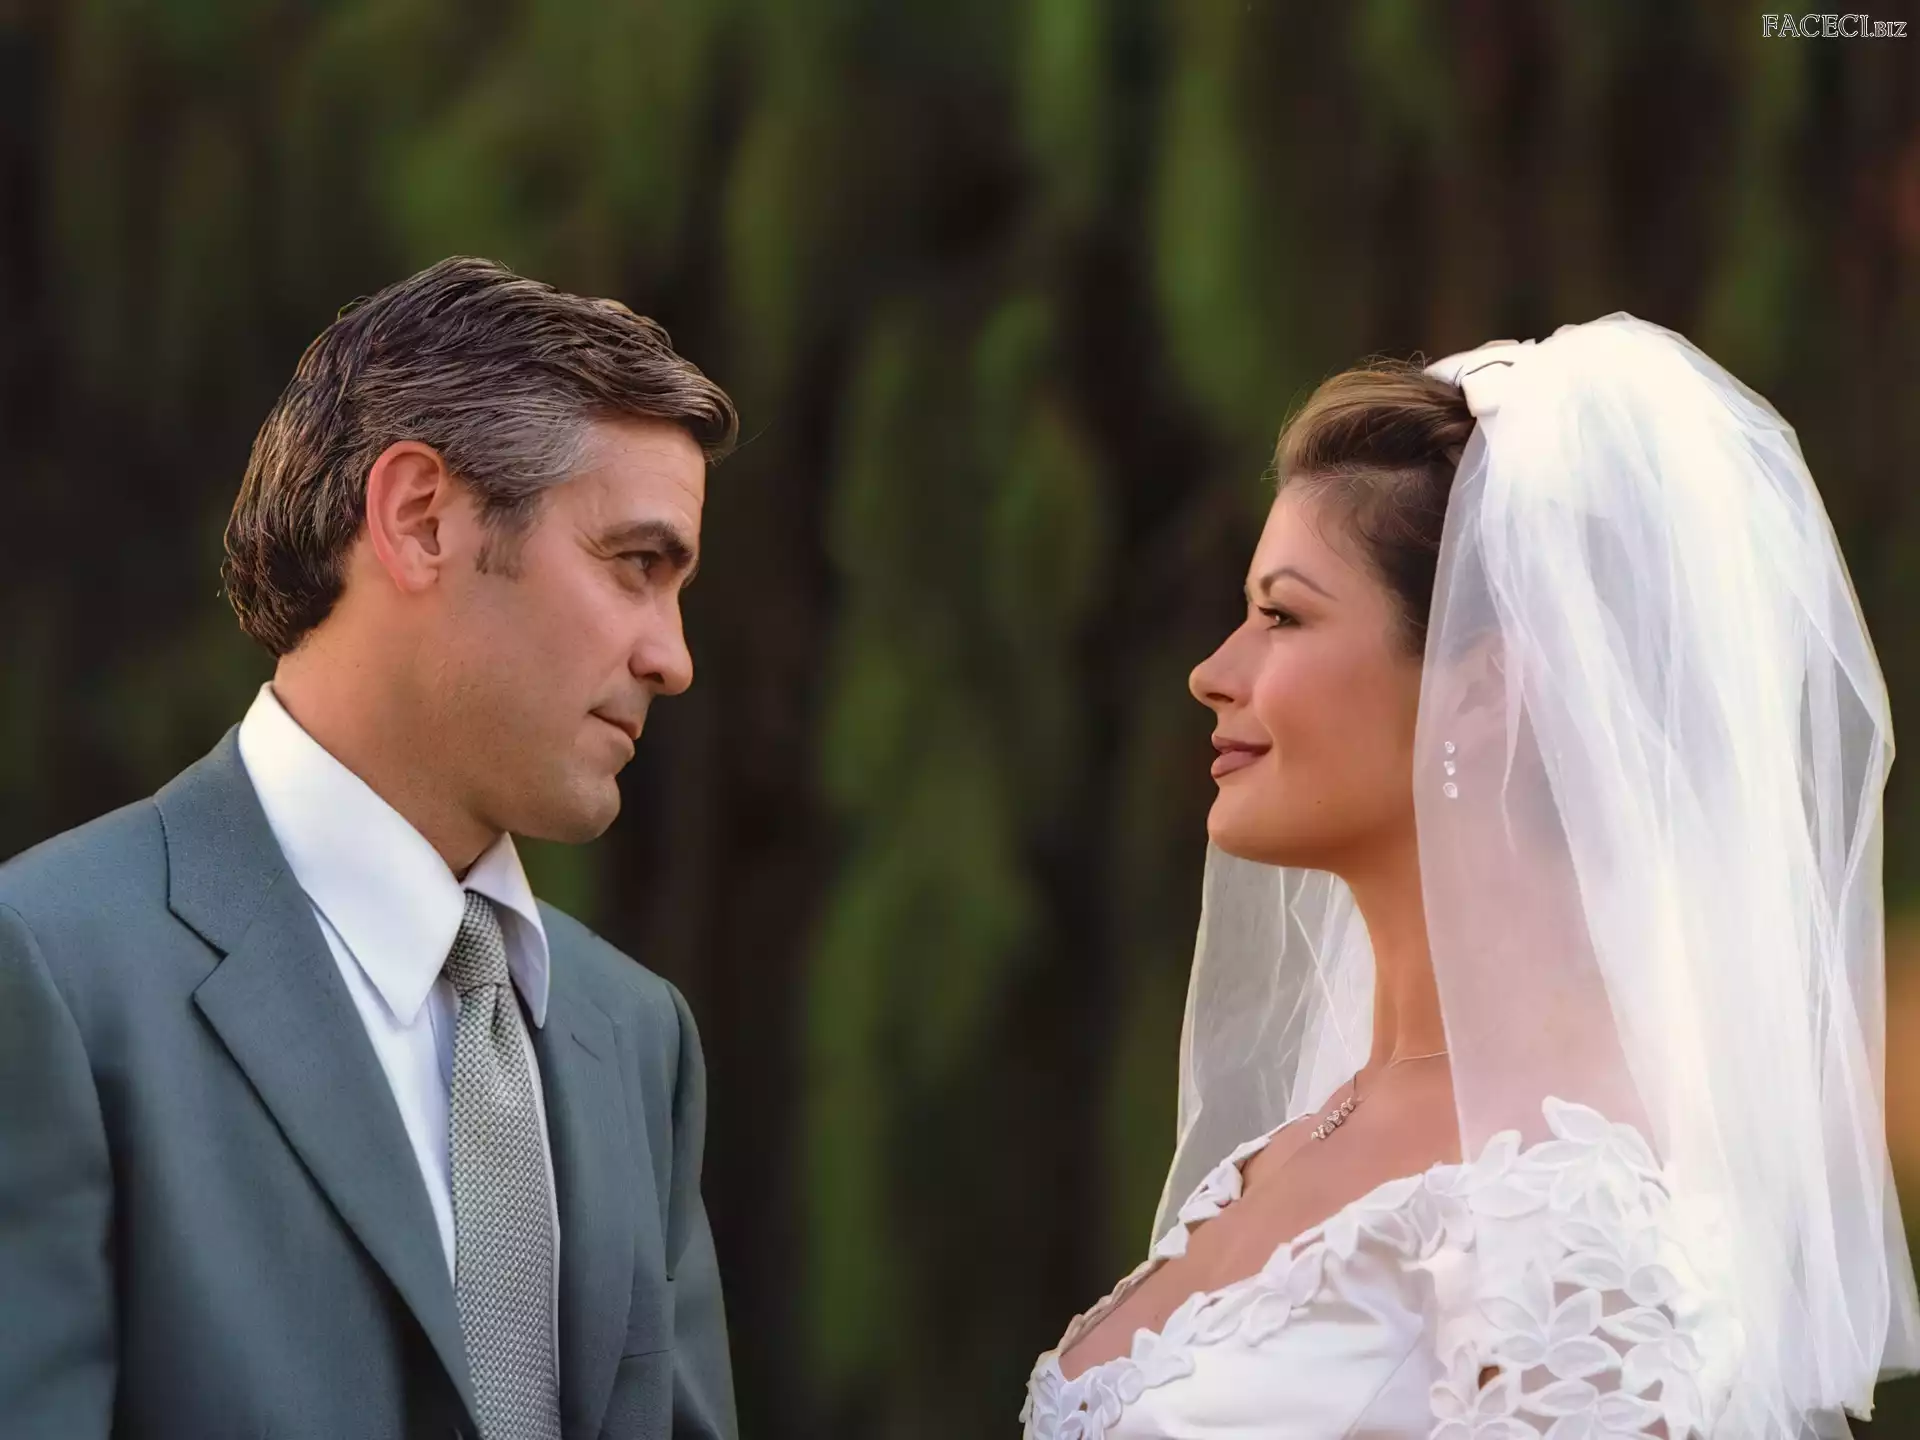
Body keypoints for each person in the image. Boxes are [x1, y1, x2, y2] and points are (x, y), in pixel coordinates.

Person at [1021, 315, 1920, 1437]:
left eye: (1281, 616)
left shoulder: (1572, 1207)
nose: (1213, 672)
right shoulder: (1298, 1143)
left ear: (1485, 683)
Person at [0, 257, 740, 1440]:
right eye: (635, 565)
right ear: (419, 518)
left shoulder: (637, 1035)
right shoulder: (49, 973)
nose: (675, 658)